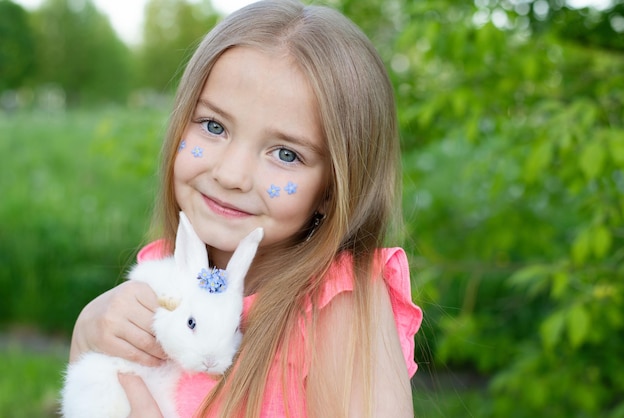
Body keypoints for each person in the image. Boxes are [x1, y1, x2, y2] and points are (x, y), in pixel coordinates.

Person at [68, 0, 422, 417]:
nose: (232, 174)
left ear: (332, 189)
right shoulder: (162, 277)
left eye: (286, 154)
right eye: (214, 126)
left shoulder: (339, 307)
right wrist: (88, 332)